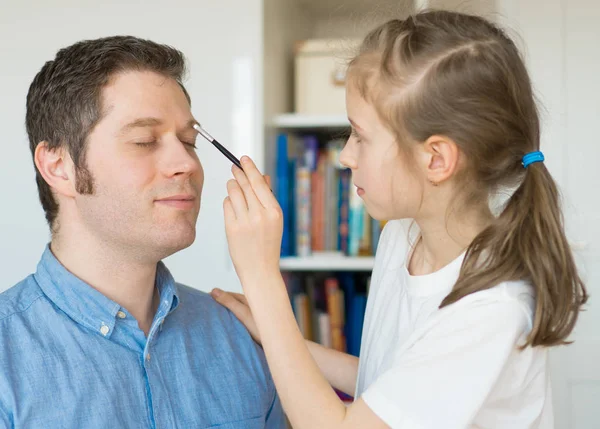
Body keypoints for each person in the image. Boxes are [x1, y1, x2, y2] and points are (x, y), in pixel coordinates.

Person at [212, 10, 588, 429]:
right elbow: (389, 390)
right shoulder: (403, 238)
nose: (345, 156)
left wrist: (262, 278)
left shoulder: (490, 309)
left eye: (360, 136)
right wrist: (272, 331)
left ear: (436, 158)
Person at [0, 35, 285, 428]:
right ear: (58, 166)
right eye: (144, 141)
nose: (186, 163)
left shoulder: (242, 338)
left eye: (188, 141)